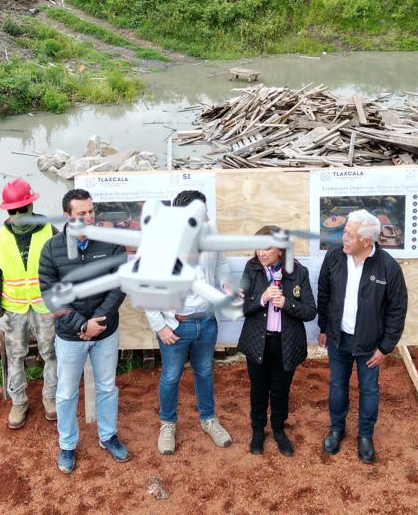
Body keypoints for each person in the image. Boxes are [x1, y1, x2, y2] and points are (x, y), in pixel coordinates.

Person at [39, 188, 132, 474]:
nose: (89, 217)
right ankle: (67, 444)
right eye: (82, 213)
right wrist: (81, 324)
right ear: (67, 216)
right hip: (70, 336)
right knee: (66, 393)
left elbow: (119, 285)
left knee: (106, 386)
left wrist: (97, 323)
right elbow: (50, 293)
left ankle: (108, 436)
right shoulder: (52, 249)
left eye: (91, 211)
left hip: (104, 332)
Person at [145, 189, 234, 455]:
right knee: (171, 375)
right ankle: (168, 424)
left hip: (206, 321)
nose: (207, 218)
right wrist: (159, 325)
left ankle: (208, 419)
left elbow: (221, 261)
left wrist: (225, 282)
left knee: (205, 372)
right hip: (176, 326)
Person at [317, 209, 407, 464]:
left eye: (349, 234)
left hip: (370, 344)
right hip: (338, 338)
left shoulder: (388, 267)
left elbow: (397, 309)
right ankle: (337, 429)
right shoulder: (334, 258)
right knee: (337, 385)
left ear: (367, 241)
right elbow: (324, 293)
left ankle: (365, 436)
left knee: (368, 390)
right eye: (344, 232)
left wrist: (385, 347)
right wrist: (324, 327)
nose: (343, 238)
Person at [238, 226, 317, 456]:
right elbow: (241, 307)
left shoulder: (298, 272)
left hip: (286, 343)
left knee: (281, 390)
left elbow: (310, 311)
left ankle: (279, 429)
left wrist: (288, 304)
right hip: (258, 342)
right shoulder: (252, 269)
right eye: (259, 247)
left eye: (268, 248)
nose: (261, 253)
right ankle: (258, 431)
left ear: (281, 250)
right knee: (258, 389)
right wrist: (261, 298)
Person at [0, 178, 58, 430]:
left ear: (32, 206)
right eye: (12, 211)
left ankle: (50, 397)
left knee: (51, 353)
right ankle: (19, 401)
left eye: (22, 210)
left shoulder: (49, 231)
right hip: (14, 310)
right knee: (16, 356)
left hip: (44, 307)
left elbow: (63, 267)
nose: (17, 215)